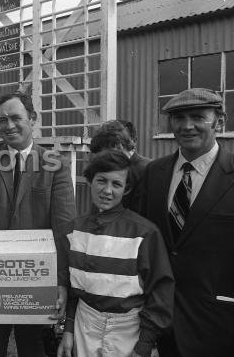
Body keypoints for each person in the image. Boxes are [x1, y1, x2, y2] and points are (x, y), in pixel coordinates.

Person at [0, 92, 76, 357]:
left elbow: (64, 227)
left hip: (37, 279)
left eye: (15, 118)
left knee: (34, 349)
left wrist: (61, 282)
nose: (8, 125)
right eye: (2, 120)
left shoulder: (55, 163)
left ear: (32, 118)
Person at [137, 88, 234, 357]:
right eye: (178, 117)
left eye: (197, 117)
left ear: (220, 121)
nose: (187, 125)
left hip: (219, 324)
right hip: (161, 319)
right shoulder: (153, 172)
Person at [57, 150, 174, 357]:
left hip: (129, 329)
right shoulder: (73, 230)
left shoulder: (144, 232)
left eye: (117, 184)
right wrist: (68, 330)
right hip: (84, 325)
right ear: (90, 181)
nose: (107, 191)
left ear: (126, 189)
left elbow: (161, 290)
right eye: (101, 181)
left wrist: (145, 344)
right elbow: (72, 289)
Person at [90, 119, 151, 209]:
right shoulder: (111, 168)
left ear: (121, 146)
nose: (106, 159)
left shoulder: (147, 170)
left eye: (109, 152)